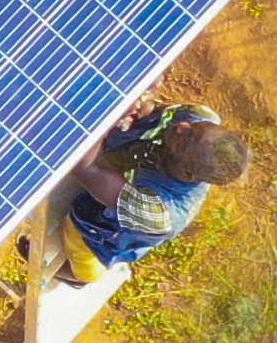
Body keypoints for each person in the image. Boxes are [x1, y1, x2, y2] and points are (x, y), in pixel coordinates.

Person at [58, 99, 247, 287]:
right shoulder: (202, 116)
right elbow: (154, 106)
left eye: (186, 141)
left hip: (97, 233)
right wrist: (141, 107)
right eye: (195, 127)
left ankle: (81, 278)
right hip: (123, 169)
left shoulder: (159, 213)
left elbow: (85, 168)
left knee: (85, 261)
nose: (182, 127)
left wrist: (102, 116)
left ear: (188, 174)